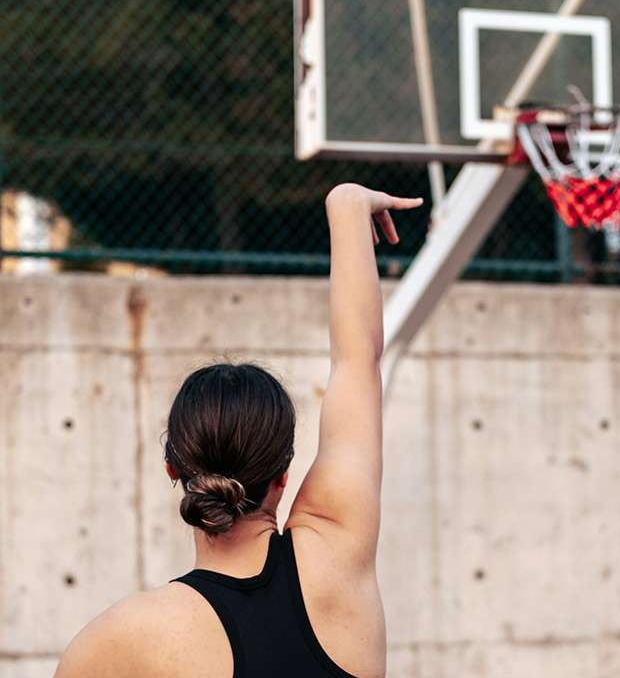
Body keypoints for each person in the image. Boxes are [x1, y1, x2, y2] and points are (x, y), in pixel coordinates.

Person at [55, 184, 424, 678]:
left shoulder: (122, 641)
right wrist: (346, 208)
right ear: (284, 473)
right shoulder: (338, 550)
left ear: (174, 469)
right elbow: (358, 359)